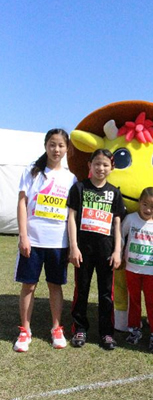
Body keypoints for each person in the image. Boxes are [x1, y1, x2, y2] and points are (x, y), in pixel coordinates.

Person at [14, 128, 77, 352]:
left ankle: (56, 328)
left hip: (58, 243)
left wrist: (71, 244)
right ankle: (25, 330)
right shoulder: (32, 172)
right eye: (52, 144)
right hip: (33, 240)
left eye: (61, 145)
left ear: (67, 148)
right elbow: (22, 203)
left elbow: (71, 214)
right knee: (28, 286)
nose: (56, 149)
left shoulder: (71, 178)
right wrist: (23, 236)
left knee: (55, 286)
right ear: (45, 146)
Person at [68, 149, 125, 350]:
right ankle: (80, 329)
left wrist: (118, 251)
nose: (101, 168)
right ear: (90, 165)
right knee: (81, 291)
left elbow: (117, 224)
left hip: (107, 252)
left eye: (105, 165)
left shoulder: (115, 192)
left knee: (106, 294)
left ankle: (107, 333)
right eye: (97, 164)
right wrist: (73, 247)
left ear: (112, 167)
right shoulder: (79, 188)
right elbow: (71, 219)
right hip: (83, 251)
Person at [122, 187, 153, 352]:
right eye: (145, 204)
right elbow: (120, 234)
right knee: (133, 300)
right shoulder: (131, 219)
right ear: (139, 202)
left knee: (151, 302)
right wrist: (119, 253)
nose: (148, 209)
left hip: (150, 272)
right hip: (131, 269)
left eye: (152, 206)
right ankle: (134, 330)